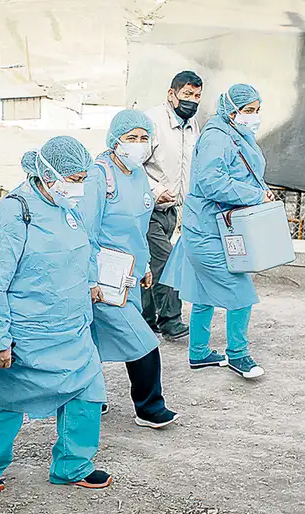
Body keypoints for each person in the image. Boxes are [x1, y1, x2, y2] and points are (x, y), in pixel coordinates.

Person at [0, 136, 112, 494]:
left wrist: (91, 281)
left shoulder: (66, 209)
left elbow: (84, 249)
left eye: (83, 178)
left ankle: (73, 465)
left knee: (88, 395)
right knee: (6, 401)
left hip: (73, 330)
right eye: (73, 179)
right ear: (48, 175)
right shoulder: (11, 216)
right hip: (28, 335)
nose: (79, 187)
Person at [160, 83, 274, 381]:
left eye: (256, 110)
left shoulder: (234, 135)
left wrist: (258, 191)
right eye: (248, 111)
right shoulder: (216, 139)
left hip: (214, 226)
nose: (253, 117)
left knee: (202, 292)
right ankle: (237, 354)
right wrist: (254, 194)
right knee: (241, 290)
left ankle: (198, 352)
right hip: (209, 230)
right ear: (231, 110)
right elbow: (211, 182)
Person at [78, 110, 178, 429]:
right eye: (130, 138)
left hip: (130, 274)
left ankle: (88, 396)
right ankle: (149, 407)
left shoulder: (137, 175)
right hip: (105, 276)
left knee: (93, 338)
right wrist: (90, 278)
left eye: (143, 138)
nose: (138, 144)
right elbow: (86, 230)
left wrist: (145, 264)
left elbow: (139, 226)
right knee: (142, 338)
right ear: (115, 140)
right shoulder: (99, 176)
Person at [141, 71, 204, 341]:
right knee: (167, 263)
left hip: (173, 210)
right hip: (149, 207)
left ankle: (146, 318)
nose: (192, 100)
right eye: (187, 94)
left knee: (153, 266)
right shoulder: (152, 121)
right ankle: (170, 320)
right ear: (171, 94)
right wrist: (156, 191)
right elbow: (134, 165)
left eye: (197, 96)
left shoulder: (193, 126)